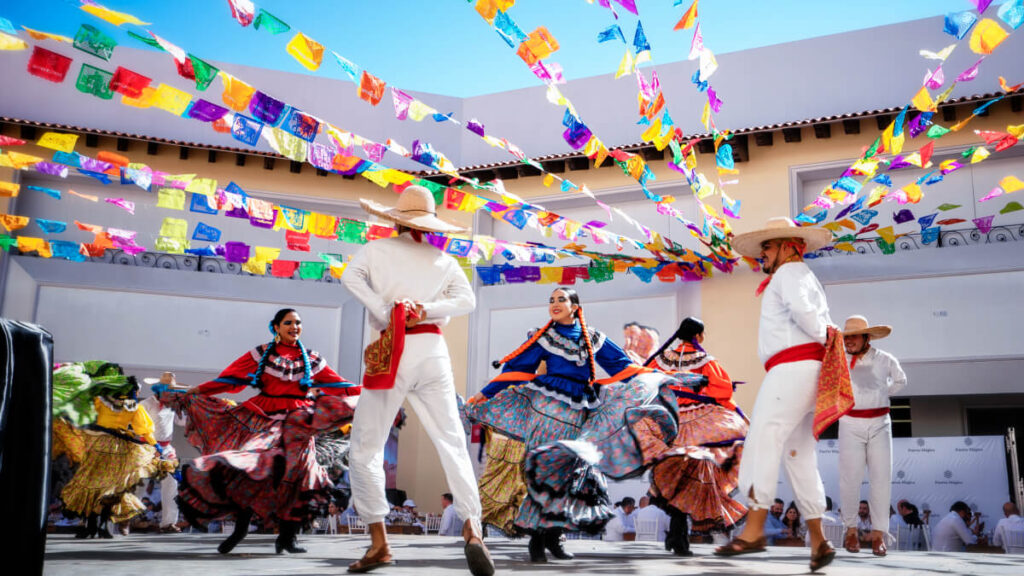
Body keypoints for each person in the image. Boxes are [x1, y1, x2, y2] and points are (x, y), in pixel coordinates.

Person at [343, 185, 493, 576]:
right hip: (433, 350)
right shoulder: (443, 259)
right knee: (452, 441)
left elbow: (350, 277)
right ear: (428, 224)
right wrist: (426, 308)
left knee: (366, 447)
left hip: (392, 348)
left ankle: (379, 543)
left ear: (395, 219)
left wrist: (385, 308)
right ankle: (472, 528)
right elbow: (468, 301)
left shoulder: (375, 250)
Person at [156, 308, 360, 555]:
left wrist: (370, 390)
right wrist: (198, 390)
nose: (294, 326)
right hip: (263, 418)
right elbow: (230, 380)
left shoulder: (312, 358)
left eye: (298, 322)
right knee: (252, 472)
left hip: (298, 425)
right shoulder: (261, 353)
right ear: (276, 327)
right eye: (288, 322)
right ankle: (240, 529)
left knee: (300, 478)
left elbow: (339, 385)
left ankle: (287, 538)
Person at [467, 287, 647, 563]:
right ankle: (538, 540)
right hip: (547, 409)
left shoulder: (594, 337)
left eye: (561, 299)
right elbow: (516, 369)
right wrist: (485, 392)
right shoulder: (544, 336)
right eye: (551, 300)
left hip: (578, 412)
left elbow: (621, 366)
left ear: (575, 306)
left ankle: (553, 537)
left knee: (569, 476)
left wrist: (652, 377)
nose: (554, 303)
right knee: (546, 472)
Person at [714, 217, 850, 573]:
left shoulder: (788, 273)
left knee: (763, 439)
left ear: (790, 246)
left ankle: (754, 529)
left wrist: (824, 334)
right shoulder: (801, 274)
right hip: (805, 370)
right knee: (798, 453)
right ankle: (819, 540)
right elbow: (811, 315)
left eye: (768, 246)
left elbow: (804, 312)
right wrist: (826, 336)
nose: (763, 253)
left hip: (791, 369)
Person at [640, 316, 749, 556]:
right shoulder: (704, 360)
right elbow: (722, 389)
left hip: (668, 420)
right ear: (698, 336)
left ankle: (676, 536)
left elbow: (645, 379)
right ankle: (678, 539)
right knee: (691, 478)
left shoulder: (662, 358)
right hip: (696, 423)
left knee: (675, 476)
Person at [54, 363, 178, 539]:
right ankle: (96, 525)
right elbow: (144, 430)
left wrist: (157, 447)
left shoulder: (113, 403)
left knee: (102, 488)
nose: (135, 394)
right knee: (105, 488)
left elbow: (143, 430)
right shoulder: (123, 405)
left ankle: (97, 525)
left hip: (105, 446)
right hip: (109, 447)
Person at [838, 315, 907, 557]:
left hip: (880, 423)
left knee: (881, 479)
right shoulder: (838, 360)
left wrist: (881, 392)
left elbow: (901, 380)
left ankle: (879, 536)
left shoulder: (885, 359)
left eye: (853, 337)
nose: (848, 341)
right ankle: (850, 531)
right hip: (849, 423)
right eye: (846, 337)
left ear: (866, 337)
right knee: (850, 479)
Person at [140, 372, 187, 533]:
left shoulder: (173, 405)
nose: (172, 394)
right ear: (160, 390)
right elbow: (138, 427)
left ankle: (168, 523)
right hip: (146, 448)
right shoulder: (146, 404)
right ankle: (125, 519)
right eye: (169, 391)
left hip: (166, 449)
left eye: (174, 391)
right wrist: (152, 447)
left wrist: (187, 406)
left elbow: (182, 422)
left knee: (171, 483)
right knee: (139, 484)